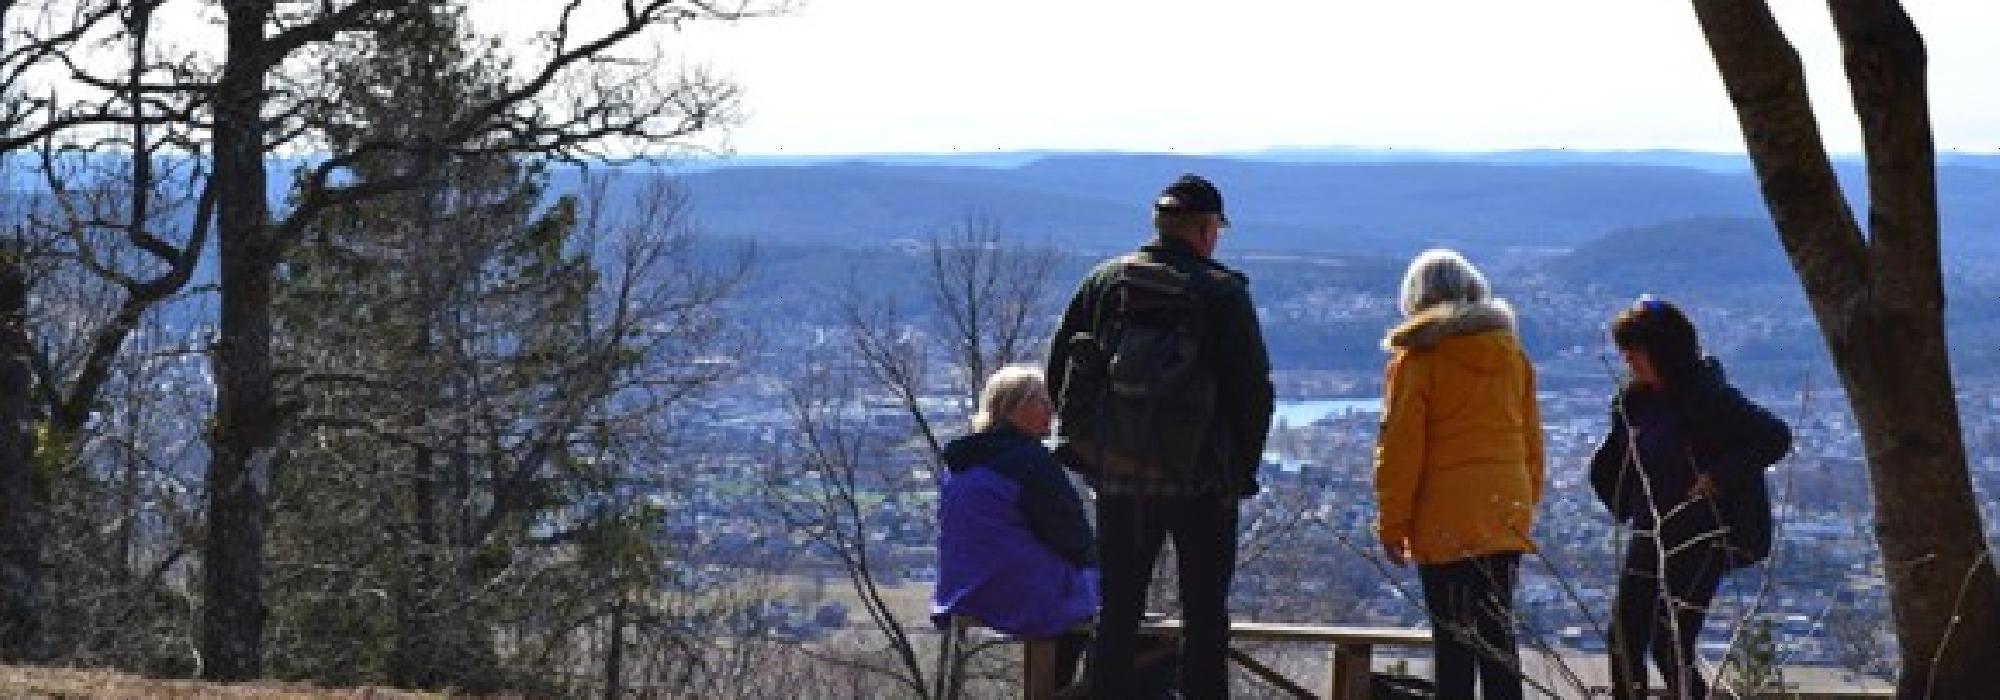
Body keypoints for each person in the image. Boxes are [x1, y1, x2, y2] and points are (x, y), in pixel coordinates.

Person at [1047, 173, 1274, 699]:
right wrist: (1240, 470)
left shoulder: (1105, 282)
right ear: (1205, 228)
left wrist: (1092, 452)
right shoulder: (1222, 293)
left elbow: (1062, 365)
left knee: (1119, 609)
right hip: (1203, 481)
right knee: (1204, 613)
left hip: (1121, 477)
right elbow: (1252, 391)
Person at [1590, 297, 1790, 700]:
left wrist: (1718, 477)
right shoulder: (1636, 400)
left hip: (1701, 534)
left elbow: (1775, 436)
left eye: (1636, 351)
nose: (1628, 360)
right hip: (1652, 526)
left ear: (1664, 351)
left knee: (1670, 643)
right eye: (1624, 352)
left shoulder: (1707, 395)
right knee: (1623, 639)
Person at [1373, 249, 1543, 700]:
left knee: (1453, 644)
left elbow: (1401, 449)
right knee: (1498, 639)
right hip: (1505, 511)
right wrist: (1525, 501)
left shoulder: (1418, 361)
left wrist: (1393, 521)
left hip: (1444, 517)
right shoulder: (1511, 354)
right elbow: (1531, 440)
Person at [932, 366, 1098, 690]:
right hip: (1018, 589)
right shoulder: (1029, 461)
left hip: (963, 588)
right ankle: (1057, 689)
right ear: (1010, 408)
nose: (1050, 410)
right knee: (1099, 600)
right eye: (1039, 401)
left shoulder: (962, 462)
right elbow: (1071, 536)